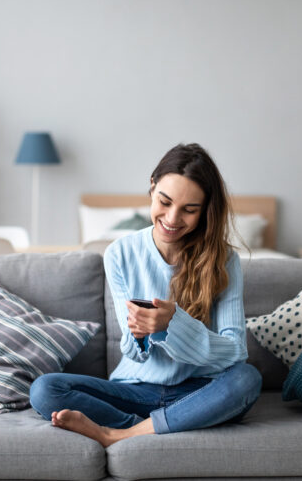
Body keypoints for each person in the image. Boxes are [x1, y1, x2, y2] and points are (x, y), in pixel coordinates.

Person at [29, 143, 262, 447]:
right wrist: (141, 333)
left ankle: (121, 434)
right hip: (135, 390)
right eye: (165, 202)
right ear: (152, 187)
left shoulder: (224, 260)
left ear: (205, 210)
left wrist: (173, 324)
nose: (173, 219)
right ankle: (158, 426)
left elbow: (234, 351)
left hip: (199, 390)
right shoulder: (120, 254)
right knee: (45, 390)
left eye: (189, 210)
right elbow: (133, 351)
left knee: (247, 379)